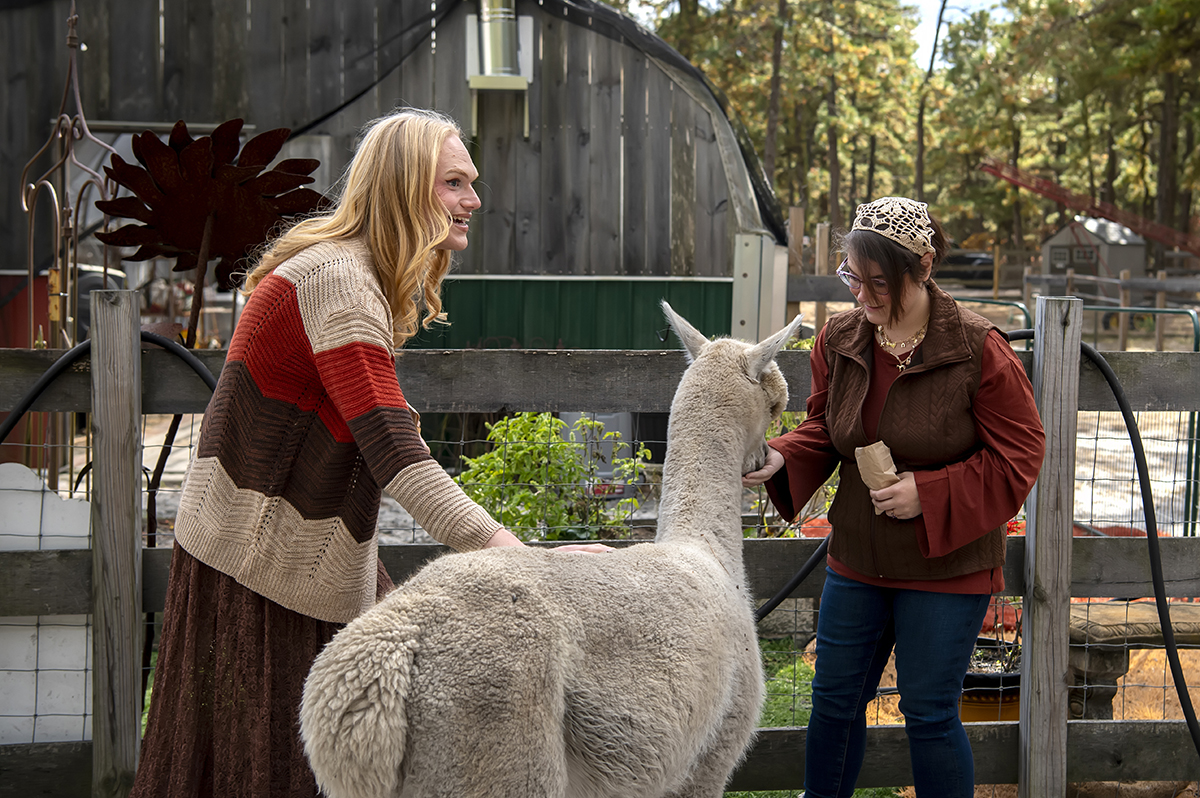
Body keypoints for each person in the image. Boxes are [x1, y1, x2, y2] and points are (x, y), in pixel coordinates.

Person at [130, 108, 606, 798]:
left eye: (470, 183)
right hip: (263, 570)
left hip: (274, 553)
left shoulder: (345, 272)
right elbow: (397, 453)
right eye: (453, 183)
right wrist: (520, 556)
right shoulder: (342, 284)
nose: (473, 200)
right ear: (403, 186)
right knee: (277, 768)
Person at [743, 196, 1045, 797]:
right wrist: (785, 456)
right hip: (858, 557)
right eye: (853, 277)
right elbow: (827, 426)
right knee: (833, 703)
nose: (863, 294)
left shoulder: (978, 349)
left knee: (929, 713)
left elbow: (1021, 455)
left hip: (947, 564)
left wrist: (928, 494)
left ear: (923, 267)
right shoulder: (840, 337)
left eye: (880, 282)